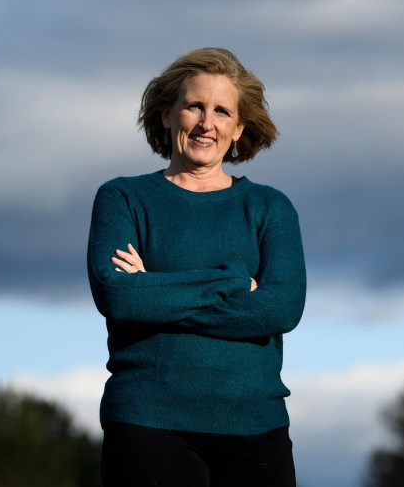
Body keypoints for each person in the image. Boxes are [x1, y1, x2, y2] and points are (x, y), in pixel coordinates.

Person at [87, 48, 306, 486]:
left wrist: (154, 288)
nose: (207, 123)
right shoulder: (123, 199)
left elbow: (280, 309)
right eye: (194, 106)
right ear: (167, 116)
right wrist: (232, 280)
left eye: (222, 111)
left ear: (239, 128)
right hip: (146, 422)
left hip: (256, 426)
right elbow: (117, 295)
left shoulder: (270, 208)